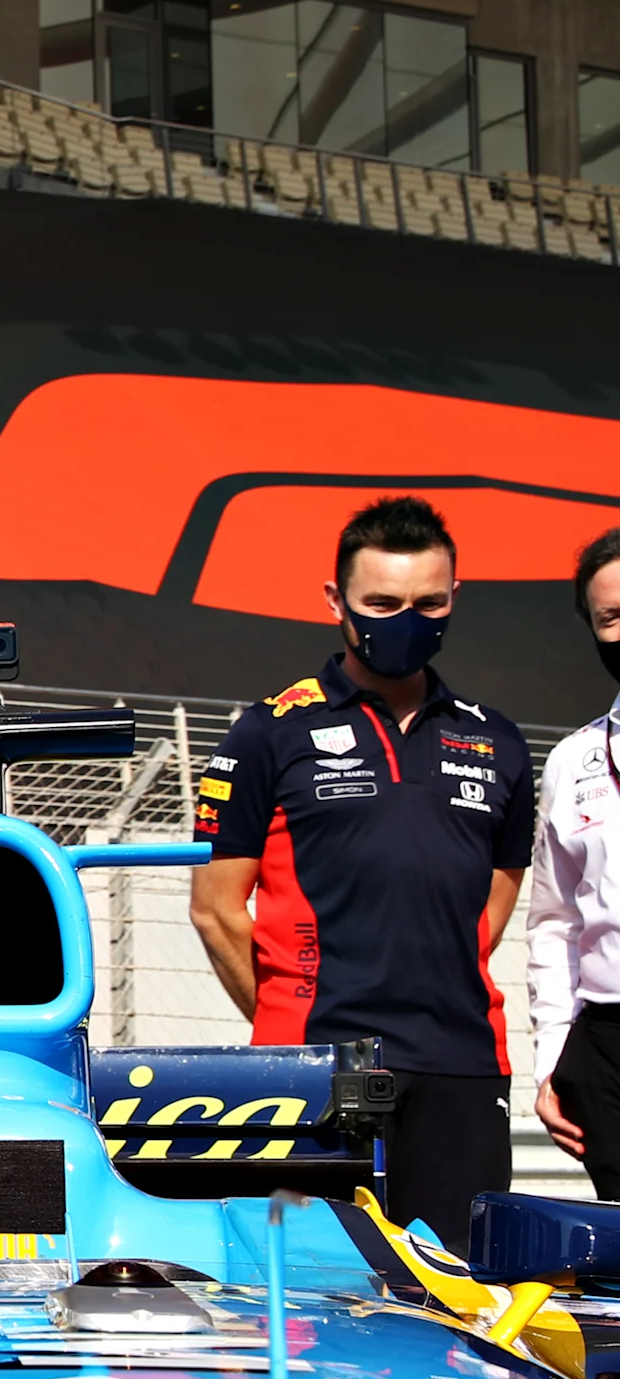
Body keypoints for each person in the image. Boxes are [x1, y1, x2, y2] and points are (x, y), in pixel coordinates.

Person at [196, 496, 532, 1246]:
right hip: (312, 1066)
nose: (404, 619)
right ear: (334, 600)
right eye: (380, 602)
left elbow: (495, 900)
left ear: (453, 599)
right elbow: (215, 909)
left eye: (427, 603)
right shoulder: (269, 730)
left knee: (461, 1297)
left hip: (463, 1064)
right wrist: (295, 1018)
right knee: (311, 1301)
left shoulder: (498, 740)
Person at [530, 530, 620, 1200]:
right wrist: (554, 1061)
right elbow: (554, 923)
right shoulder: (573, 759)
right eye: (610, 618)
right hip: (607, 1046)